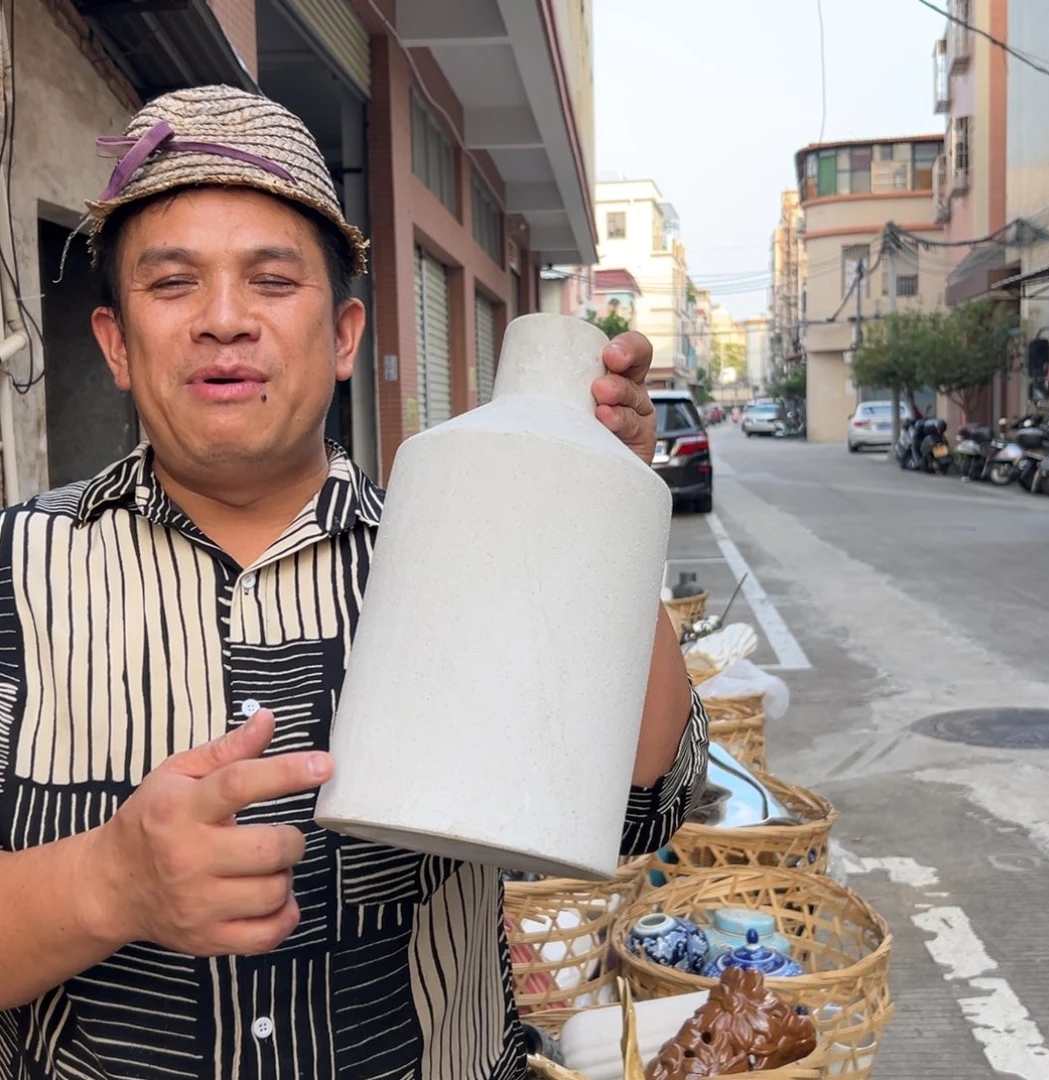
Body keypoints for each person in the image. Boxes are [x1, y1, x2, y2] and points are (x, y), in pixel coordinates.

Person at [0, 86, 708, 1078]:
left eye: (271, 280)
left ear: (342, 337)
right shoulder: (12, 576)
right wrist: (105, 884)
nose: (224, 321)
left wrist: (605, 511)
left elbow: (646, 811)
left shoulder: (465, 553)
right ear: (116, 344)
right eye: (173, 284)